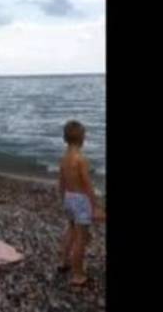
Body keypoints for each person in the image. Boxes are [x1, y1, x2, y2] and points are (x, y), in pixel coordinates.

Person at [57, 120, 106, 287]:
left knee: (71, 229)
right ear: (82, 139)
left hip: (69, 197)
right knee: (81, 238)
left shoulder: (64, 159)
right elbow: (87, 185)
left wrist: (62, 198)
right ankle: (78, 275)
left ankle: (63, 262)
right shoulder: (81, 160)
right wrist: (96, 205)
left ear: (65, 139)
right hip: (81, 199)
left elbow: (61, 182)